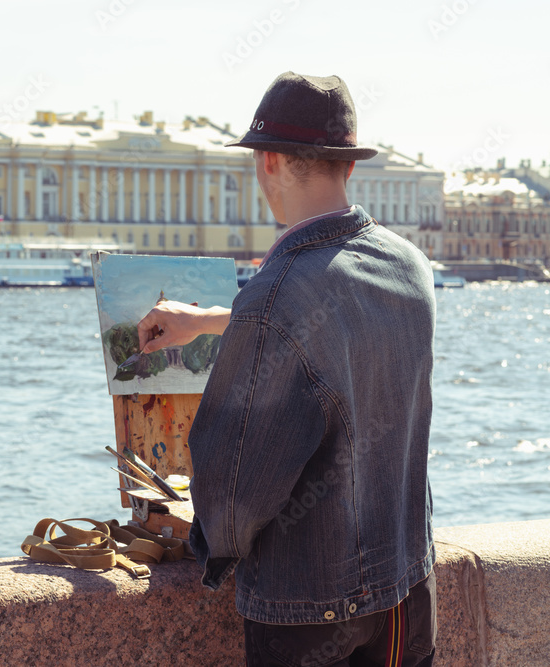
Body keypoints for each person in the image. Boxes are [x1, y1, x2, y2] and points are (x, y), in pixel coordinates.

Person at [136, 72, 437, 666]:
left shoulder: (274, 297)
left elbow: (236, 486)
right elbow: (335, 326)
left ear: (267, 161)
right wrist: (212, 319)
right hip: (406, 590)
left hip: (307, 605)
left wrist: (199, 536)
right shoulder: (410, 266)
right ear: (347, 165)